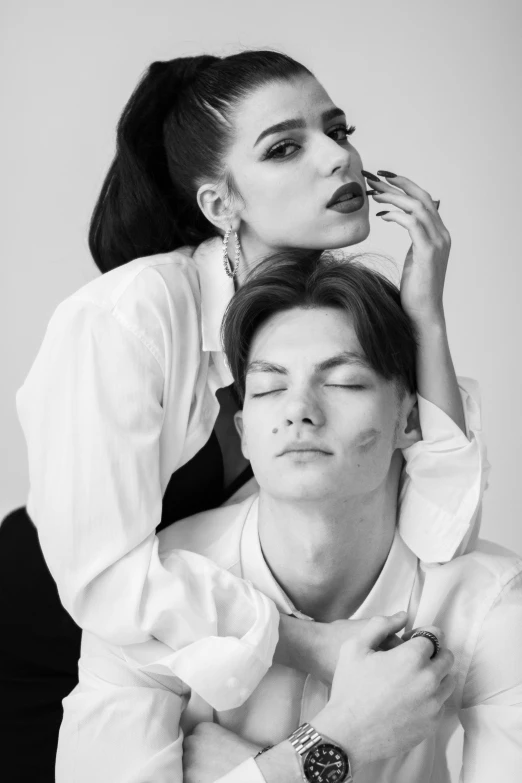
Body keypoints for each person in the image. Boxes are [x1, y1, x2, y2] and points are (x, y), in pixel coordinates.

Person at [8, 50, 486, 779]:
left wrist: (425, 317)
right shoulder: (127, 317)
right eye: (286, 147)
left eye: (338, 129)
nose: (339, 158)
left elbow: (438, 530)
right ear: (219, 204)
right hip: (49, 650)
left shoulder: (331, 314)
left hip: (189, 667)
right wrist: (308, 646)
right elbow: (103, 577)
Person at [56, 252, 520, 783]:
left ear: (409, 422)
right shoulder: (150, 597)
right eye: (270, 388)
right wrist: (338, 740)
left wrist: (244, 771)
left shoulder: (490, 607)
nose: (299, 409)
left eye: (344, 383)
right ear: (244, 431)